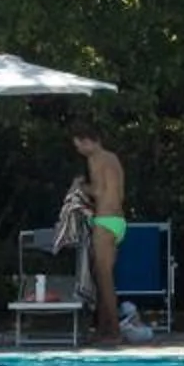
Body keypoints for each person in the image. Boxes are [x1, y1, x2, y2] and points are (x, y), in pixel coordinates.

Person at [71, 127, 126, 343]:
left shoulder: (95, 159)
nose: (79, 151)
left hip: (104, 221)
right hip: (119, 222)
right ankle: (103, 330)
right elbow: (118, 192)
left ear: (89, 141)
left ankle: (113, 332)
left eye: (80, 145)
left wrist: (80, 186)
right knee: (103, 277)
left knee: (104, 281)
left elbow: (100, 191)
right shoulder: (113, 158)